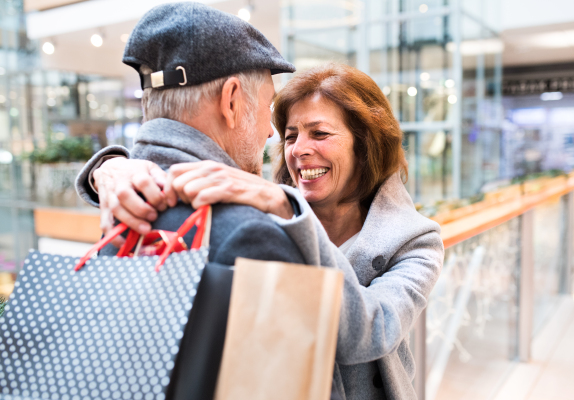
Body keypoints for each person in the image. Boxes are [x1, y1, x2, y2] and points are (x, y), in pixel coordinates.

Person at [79, 62, 444, 400]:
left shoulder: (416, 241)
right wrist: (109, 167)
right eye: (290, 135)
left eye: (319, 133)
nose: (299, 149)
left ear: (365, 145)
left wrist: (287, 208)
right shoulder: (260, 211)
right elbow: (175, 174)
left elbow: (373, 329)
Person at [74, 3, 312, 399]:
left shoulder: (119, 205)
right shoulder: (251, 233)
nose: (271, 132)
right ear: (232, 101)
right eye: (268, 108)